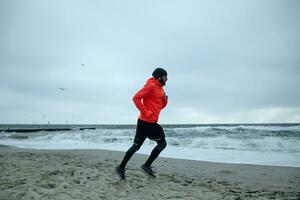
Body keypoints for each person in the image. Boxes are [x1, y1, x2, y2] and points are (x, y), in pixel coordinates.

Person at [115, 68, 168, 180]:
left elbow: (159, 107)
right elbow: (136, 98)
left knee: (136, 146)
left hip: (143, 122)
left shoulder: (160, 89)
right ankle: (146, 166)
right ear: (159, 77)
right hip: (149, 122)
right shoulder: (151, 86)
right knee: (162, 144)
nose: (167, 79)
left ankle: (120, 167)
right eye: (165, 76)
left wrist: (165, 100)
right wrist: (146, 112)